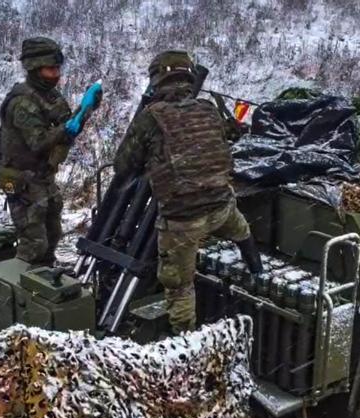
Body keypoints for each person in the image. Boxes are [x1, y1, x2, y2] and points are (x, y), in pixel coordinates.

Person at [112, 50, 263, 333]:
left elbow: (122, 166)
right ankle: (256, 267)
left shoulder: (151, 117)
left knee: (179, 286)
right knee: (242, 230)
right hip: (222, 206)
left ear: (157, 81)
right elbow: (222, 139)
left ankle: (186, 346)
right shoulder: (207, 108)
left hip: (182, 221)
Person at [0, 37, 101, 264]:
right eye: (50, 69)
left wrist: (86, 109)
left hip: (43, 176)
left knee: (53, 234)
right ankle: (23, 286)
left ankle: (45, 278)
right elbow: (39, 142)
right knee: (34, 242)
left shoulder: (51, 96)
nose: (56, 74)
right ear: (34, 68)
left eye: (58, 68)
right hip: (23, 179)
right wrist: (66, 127)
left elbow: (68, 129)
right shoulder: (22, 103)